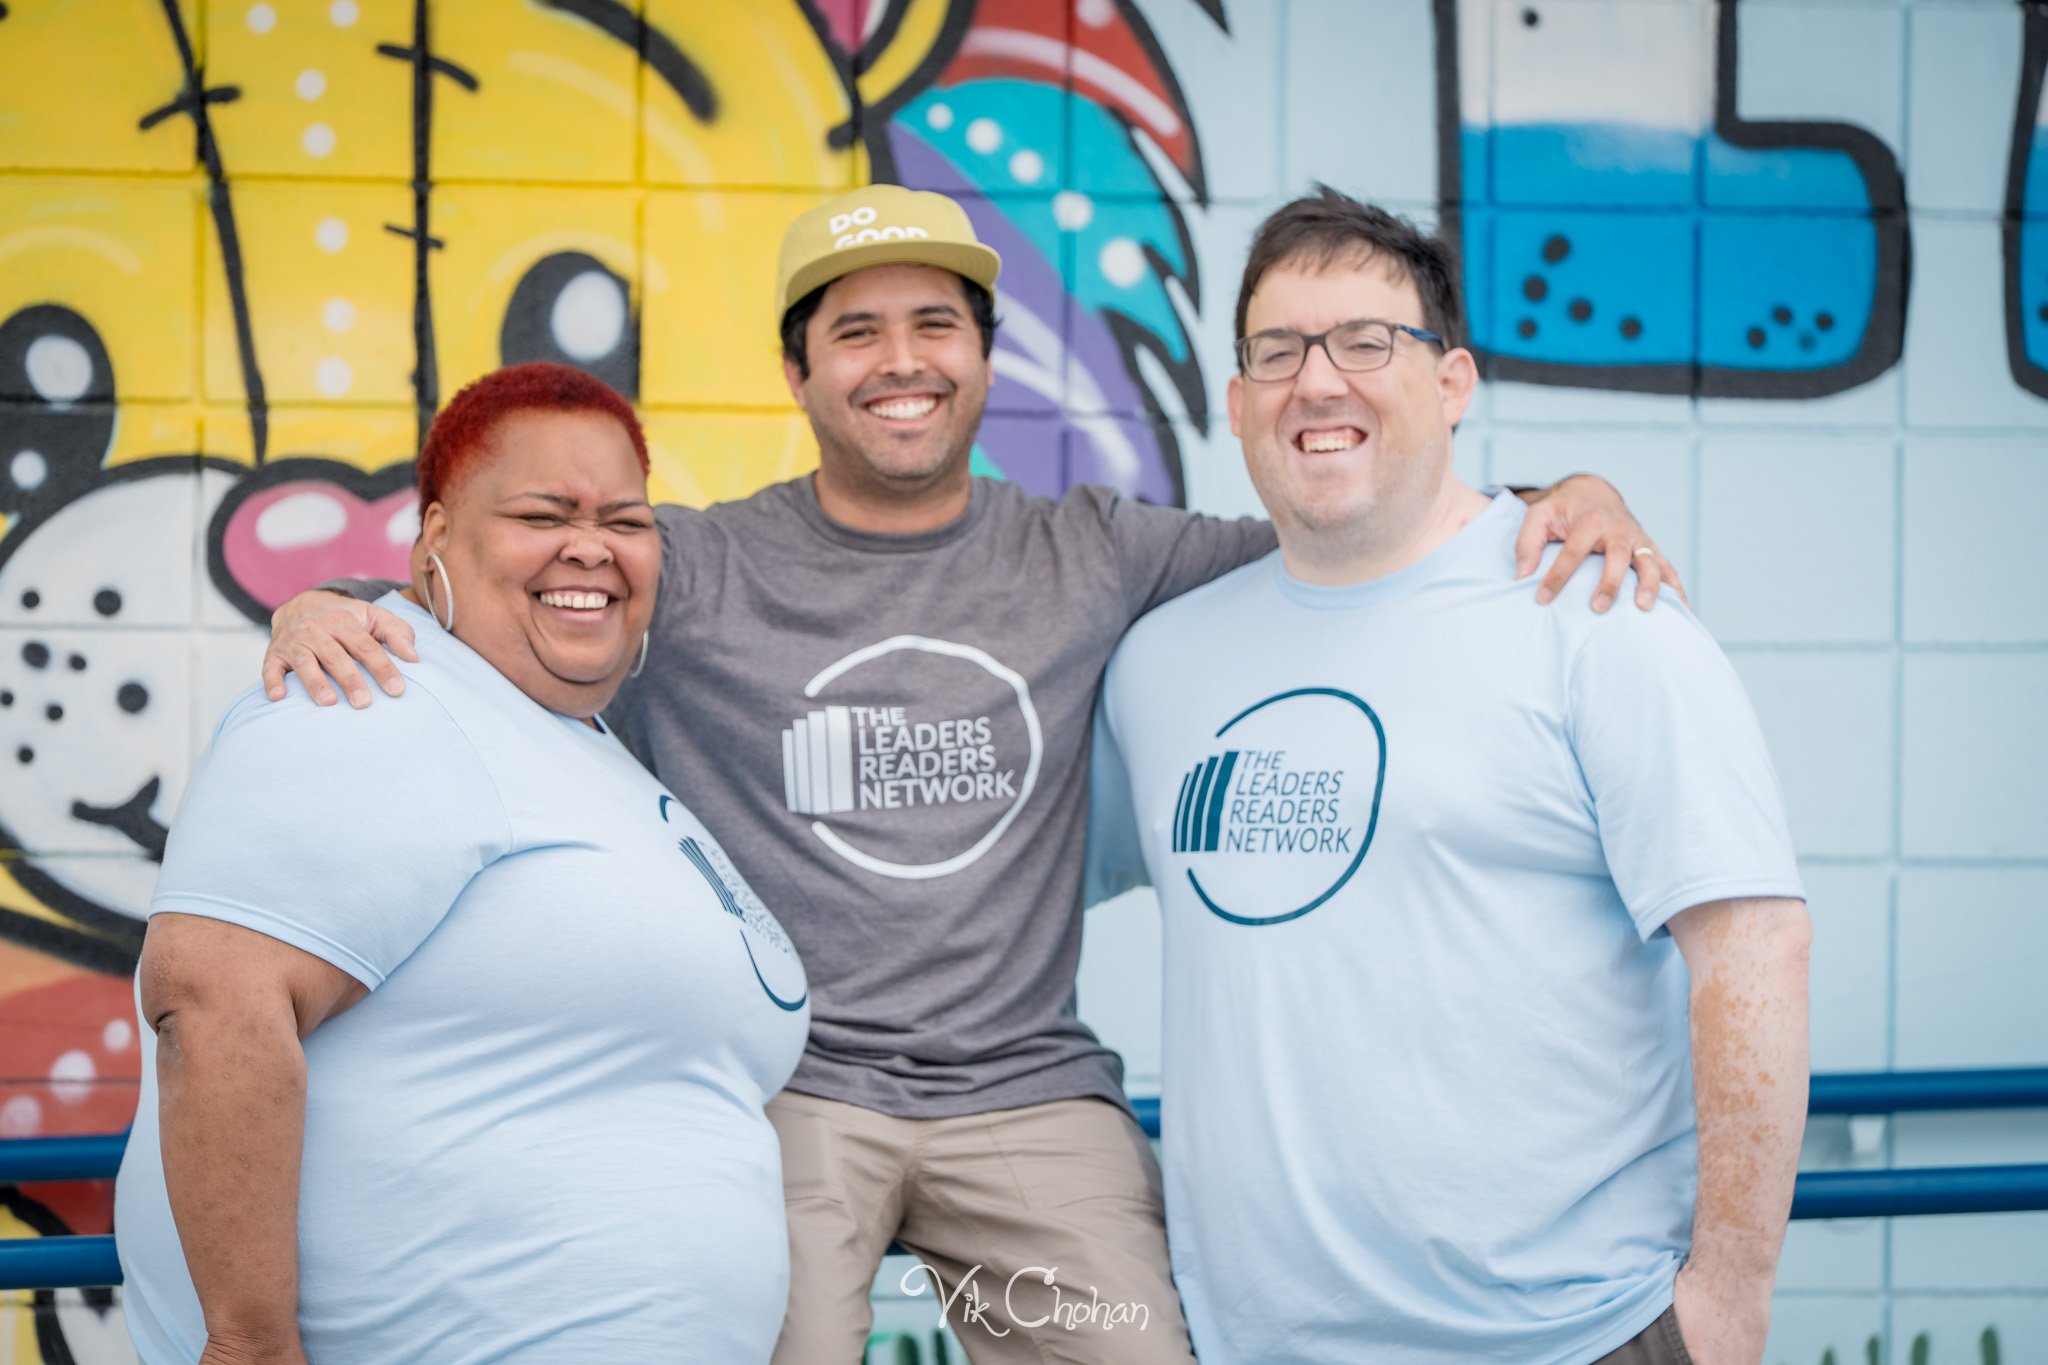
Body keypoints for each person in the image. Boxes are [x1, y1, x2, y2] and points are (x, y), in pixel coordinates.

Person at [260, 185, 1678, 1362]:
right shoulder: (695, 567)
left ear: (988, 360)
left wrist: (1561, 494)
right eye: (857, 328)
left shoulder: (1098, 550)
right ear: (799, 371)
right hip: (795, 1096)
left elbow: (1372, 531)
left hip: (1027, 1099)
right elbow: (509, 587)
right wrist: (332, 603)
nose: (902, 357)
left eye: (937, 322)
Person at [1087, 187, 1812, 1365]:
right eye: (1278, 351)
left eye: (1366, 342)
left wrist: (1727, 1300)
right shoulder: (1160, 662)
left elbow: (1752, 945)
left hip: (1569, 1338)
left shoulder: (1595, 610)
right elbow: (1013, 882)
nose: (1317, 382)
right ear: (1235, 402)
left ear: (1451, 382)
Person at [114, 363, 809, 1364]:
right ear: (435, 537)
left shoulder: (575, 737)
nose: (590, 547)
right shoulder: (369, 692)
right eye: (542, 513)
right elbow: (213, 1000)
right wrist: (251, 1344)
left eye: (626, 520)